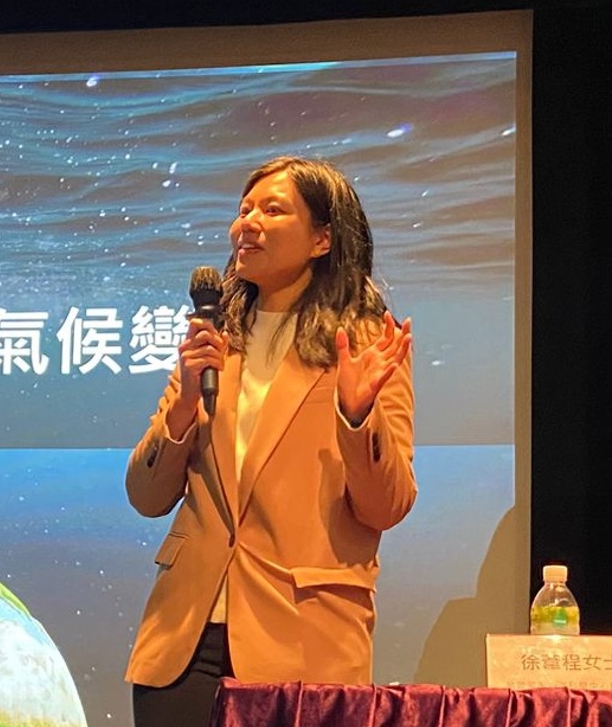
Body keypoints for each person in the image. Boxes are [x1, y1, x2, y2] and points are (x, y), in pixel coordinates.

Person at [124, 156, 416, 727]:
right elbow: (145, 495)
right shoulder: (215, 340)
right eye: (244, 209)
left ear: (322, 239)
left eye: (272, 209)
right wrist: (183, 406)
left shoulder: (363, 341)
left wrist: (357, 418)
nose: (247, 223)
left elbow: (387, 505)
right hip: (186, 637)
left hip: (305, 637)